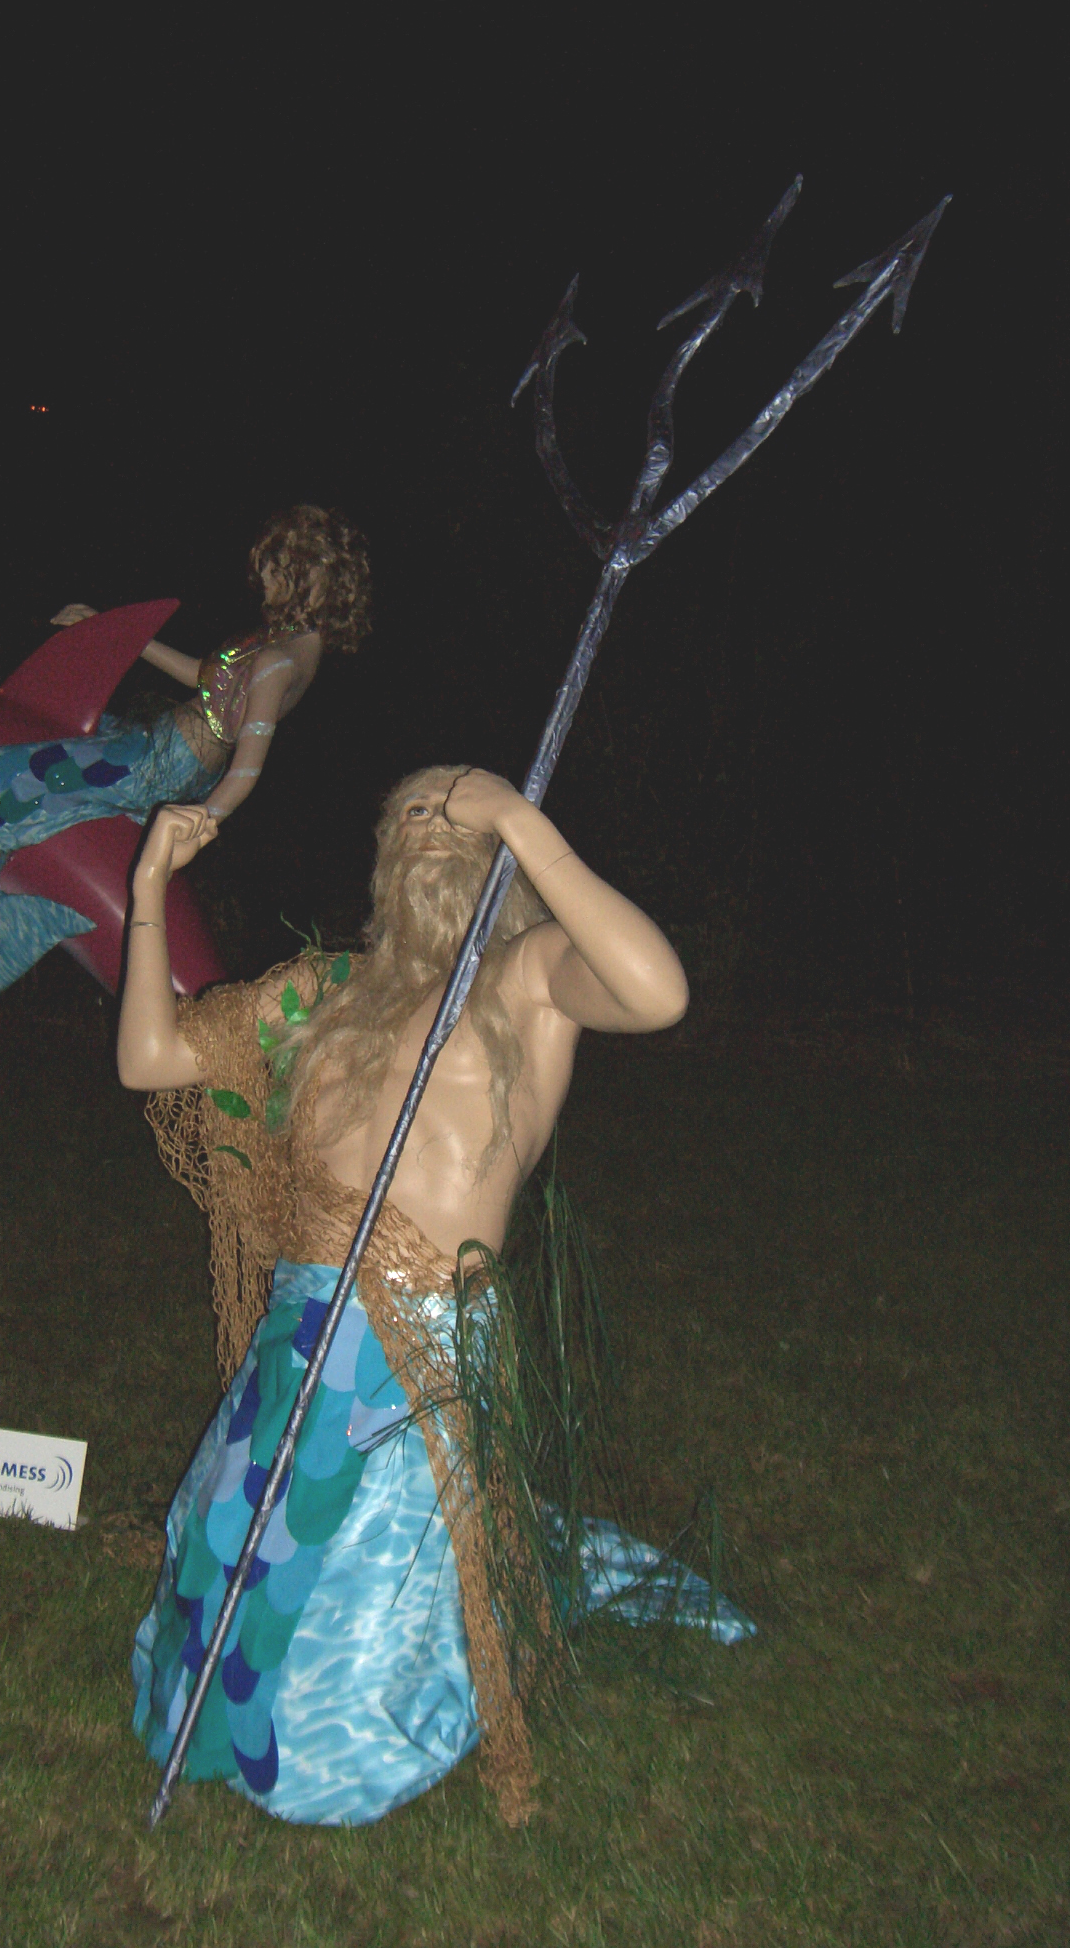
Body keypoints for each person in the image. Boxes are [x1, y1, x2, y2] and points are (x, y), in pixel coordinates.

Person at [117, 766, 693, 1827]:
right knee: (228, 1544)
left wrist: (520, 818)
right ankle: (218, 1717)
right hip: (297, 1334)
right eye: (417, 809)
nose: (439, 818)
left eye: (460, 807)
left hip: (417, 1356)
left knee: (346, 1588)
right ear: (383, 858)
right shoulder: (326, 992)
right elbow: (149, 1058)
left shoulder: (526, 975)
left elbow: (658, 992)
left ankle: (323, 1738)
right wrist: (148, 882)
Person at [0, 505, 371, 1006]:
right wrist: (118, 633)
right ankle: (0, 910)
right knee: (32, 749)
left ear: (311, 576)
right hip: (155, 747)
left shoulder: (278, 660)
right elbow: (200, 676)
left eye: (277, 572)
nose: (266, 585)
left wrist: (194, 828)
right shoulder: (281, 644)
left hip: (156, 765)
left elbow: (247, 770)